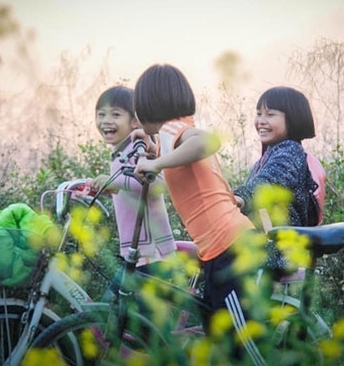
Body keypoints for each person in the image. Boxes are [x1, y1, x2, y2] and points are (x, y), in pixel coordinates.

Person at [132, 64, 266, 365]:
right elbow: (179, 179)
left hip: (229, 248)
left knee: (241, 346)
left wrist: (156, 163)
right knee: (219, 339)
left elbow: (208, 141)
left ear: (149, 102)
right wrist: (154, 156)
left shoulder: (174, 129)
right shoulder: (168, 137)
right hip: (219, 249)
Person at [88, 85, 177, 280]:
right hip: (136, 252)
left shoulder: (138, 147)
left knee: (122, 307)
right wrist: (108, 187)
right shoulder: (121, 151)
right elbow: (130, 186)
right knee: (116, 306)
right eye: (101, 114)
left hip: (152, 253)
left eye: (116, 115)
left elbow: (158, 183)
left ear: (135, 121)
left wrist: (116, 182)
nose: (106, 121)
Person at [233, 86, 326, 229]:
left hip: (282, 245)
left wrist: (241, 197)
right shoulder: (264, 160)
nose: (261, 121)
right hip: (263, 241)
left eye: (270, 114)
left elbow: (269, 182)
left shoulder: (291, 152)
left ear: (292, 118)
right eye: (259, 114)